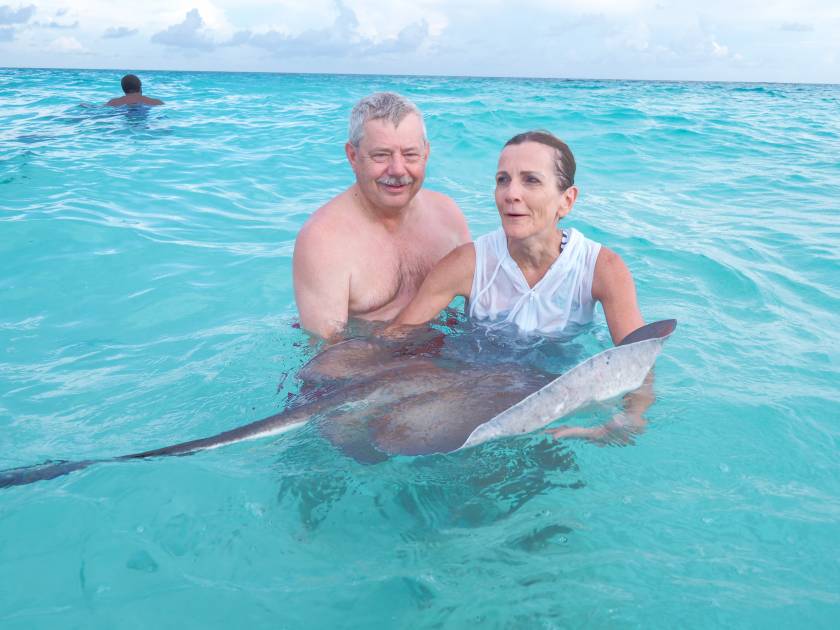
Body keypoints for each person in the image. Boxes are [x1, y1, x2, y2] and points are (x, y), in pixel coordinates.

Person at [389, 130, 651, 443]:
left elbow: (638, 362)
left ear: (566, 200)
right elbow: (396, 337)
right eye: (503, 179)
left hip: (553, 400)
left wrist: (624, 421)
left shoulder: (602, 269)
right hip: (474, 388)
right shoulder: (467, 263)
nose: (511, 193)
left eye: (530, 180)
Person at [293, 92, 470, 341]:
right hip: (373, 367)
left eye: (410, 154)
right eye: (381, 155)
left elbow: (482, 305)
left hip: (446, 353)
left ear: (426, 153)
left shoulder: (448, 215)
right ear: (353, 156)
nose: (398, 169)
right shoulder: (323, 241)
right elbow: (328, 361)